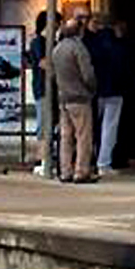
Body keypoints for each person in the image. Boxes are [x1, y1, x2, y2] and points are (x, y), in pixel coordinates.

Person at [50, 18, 98, 183]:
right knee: (83, 136)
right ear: (80, 31)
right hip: (80, 98)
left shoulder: (57, 49)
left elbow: (53, 74)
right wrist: (92, 89)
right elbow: (88, 74)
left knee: (66, 137)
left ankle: (65, 171)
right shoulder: (79, 49)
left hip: (63, 98)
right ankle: (81, 171)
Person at [85, 13, 128, 175]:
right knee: (110, 127)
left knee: (91, 126)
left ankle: (88, 159)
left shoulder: (90, 42)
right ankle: (104, 162)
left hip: (95, 89)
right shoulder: (118, 45)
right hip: (115, 90)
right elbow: (123, 67)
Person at [30, 10, 60, 175]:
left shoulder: (54, 42)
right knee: (43, 125)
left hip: (54, 90)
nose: (58, 26)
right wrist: (59, 70)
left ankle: (48, 157)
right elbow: (43, 63)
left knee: (52, 124)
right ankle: (41, 160)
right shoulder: (38, 42)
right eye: (56, 22)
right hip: (43, 88)